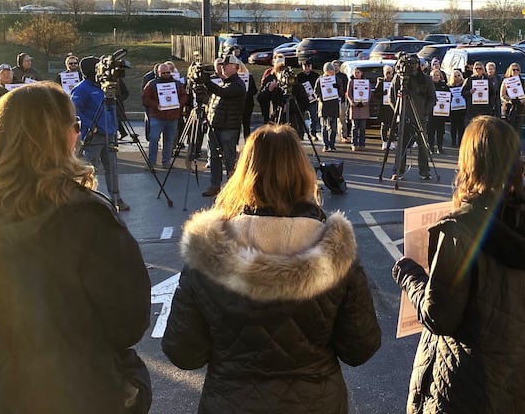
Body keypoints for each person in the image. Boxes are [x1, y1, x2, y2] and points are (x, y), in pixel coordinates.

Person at [162, 124, 381, 413]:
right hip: (317, 403)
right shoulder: (335, 252)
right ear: (303, 174)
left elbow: (184, 352)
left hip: (231, 402)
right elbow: (360, 347)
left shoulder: (209, 252)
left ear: (244, 174)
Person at [0, 82, 151, 414]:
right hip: (75, 389)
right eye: (76, 126)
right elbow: (130, 320)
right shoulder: (87, 216)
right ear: (62, 136)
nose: (79, 135)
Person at [392, 116, 525, 413]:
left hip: (471, 384)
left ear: (470, 162)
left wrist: (409, 275)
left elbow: (439, 316)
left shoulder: (461, 229)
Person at [72, 56, 129, 211]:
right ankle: (87, 199)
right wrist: (92, 126)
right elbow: (76, 111)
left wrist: (115, 127)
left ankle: (116, 199)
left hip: (110, 132)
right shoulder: (81, 89)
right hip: (94, 135)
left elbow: (114, 106)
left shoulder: (104, 86)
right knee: (90, 168)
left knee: (112, 167)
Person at [201, 54, 246, 197]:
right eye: (222, 65)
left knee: (229, 158)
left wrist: (207, 82)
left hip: (229, 127)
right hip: (216, 126)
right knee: (213, 156)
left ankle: (233, 187)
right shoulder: (223, 83)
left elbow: (224, 93)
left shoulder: (238, 84)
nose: (223, 67)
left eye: (226, 65)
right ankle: (215, 185)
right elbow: (213, 102)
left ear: (235, 67)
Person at [390, 56, 434, 181]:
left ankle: (425, 171)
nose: (413, 68)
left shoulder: (425, 79)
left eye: (415, 65)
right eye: (411, 65)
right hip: (404, 116)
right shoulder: (399, 79)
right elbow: (391, 97)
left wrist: (425, 112)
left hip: (420, 117)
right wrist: (399, 111)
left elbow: (432, 98)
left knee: (423, 145)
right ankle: (398, 171)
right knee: (401, 145)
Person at [141, 62, 188, 169]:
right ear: (158, 73)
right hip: (157, 116)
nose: (166, 74)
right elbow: (145, 98)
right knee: (153, 139)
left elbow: (184, 96)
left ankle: (166, 162)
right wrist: (156, 105)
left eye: (168, 72)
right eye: (163, 73)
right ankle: (151, 162)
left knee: (169, 141)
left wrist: (179, 104)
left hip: (172, 117)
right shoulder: (151, 84)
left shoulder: (177, 84)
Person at [316, 62, 344, 152]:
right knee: (324, 126)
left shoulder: (337, 79)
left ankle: (332, 144)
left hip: (334, 105)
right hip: (324, 106)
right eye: (328, 70)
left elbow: (341, 92)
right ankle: (325, 144)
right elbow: (316, 92)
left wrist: (337, 88)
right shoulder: (320, 79)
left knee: (333, 127)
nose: (330, 72)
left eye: (332, 70)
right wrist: (320, 98)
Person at [346, 66, 370, 150]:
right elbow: (348, 94)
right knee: (354, 127)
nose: (356, 74)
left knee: (363, 128)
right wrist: (353, 102)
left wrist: (364, 102)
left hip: (364, 108)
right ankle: (354, 144)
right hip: (354, 108)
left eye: (358, 72)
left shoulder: (366, 82)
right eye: (355, 72)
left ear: (361, 73)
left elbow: (369, 94)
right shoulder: (351, 82)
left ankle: (362, 144)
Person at [296, 59, 321, 142]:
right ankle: (301, 134)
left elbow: (319, 87)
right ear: (302, 67)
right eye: (305, 66)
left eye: (308, 66)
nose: (307, 67)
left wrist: (316, 95)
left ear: (311, 66)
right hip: (302, 101)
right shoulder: (298, 76)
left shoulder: (316, 75)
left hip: (313, 100)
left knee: (314, 118)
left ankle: (313, 134)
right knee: (301, 118)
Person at [500, 62, 525, 130]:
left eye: (517, 70)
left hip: (520, 108)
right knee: (508, 129)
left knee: (517, 129)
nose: (515, 71)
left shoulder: (524, 81)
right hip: (508, 107)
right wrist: (509, 100)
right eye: (513, 70)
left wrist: (520, 101)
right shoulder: (505, 81)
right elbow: (502, 95)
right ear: (510, 70)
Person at [373, 64, 396, 150]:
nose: (388, 74)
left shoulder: (394, 82)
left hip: (392, 107)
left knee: (393, 125)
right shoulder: (381, 82)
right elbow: (375, 95)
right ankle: (385, 142)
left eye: (390, 72)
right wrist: (383, 93)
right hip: (383, 107)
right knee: (384, 125)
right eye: (387, 72)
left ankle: (392, 142)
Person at [427, 69, 448, 153]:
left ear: (440, 76)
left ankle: (440, 147)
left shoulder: (444, 85)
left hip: (441, 112)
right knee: (430, 131)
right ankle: (431, 147)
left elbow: (450, 96)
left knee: (440, 131)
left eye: (437, 75)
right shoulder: (428, 86)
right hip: (431, 111)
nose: (436, 76)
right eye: (434, 75)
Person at [447, 68, 467, 147]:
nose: (457, 77)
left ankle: (460, 142)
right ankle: (453, 142)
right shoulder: (449, 87)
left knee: (461, 126)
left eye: (459, 75)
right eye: (455, 76)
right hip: (453, 109)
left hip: (462, 108)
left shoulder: (464, 85)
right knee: (453, 127)